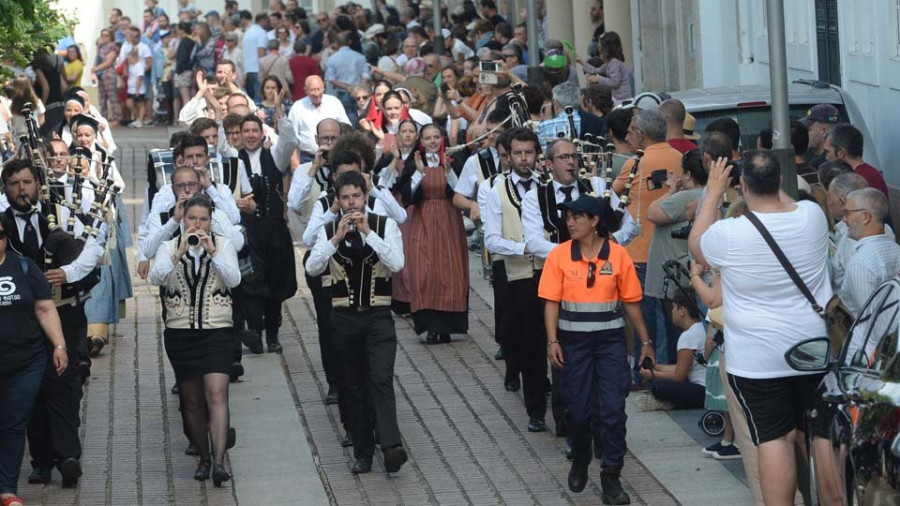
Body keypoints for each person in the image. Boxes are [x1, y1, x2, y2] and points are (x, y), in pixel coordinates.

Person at [689, 151, 831, 505]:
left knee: (774, 438)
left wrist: (714, 190)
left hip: (756, 358)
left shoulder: (730, 233)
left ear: (743, 186)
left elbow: (696, 245)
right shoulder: (813, 217)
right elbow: (781, 198)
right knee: (821, 434)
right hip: (812, 346)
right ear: (780, 183)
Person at [539, 194, 652, 503]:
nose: (570, 222)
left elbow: (631, 303)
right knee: (577, 411)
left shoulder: (618, 256)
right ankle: (580, 456)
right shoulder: (559, 256)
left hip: (610, 344)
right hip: (574, 344)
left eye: (577, 217)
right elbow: (551, 302)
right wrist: (552, 341)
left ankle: (611, 476)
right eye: (568, 217)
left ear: (594, 221)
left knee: (614, 412)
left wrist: (645, 342)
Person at [305, 170, 408, 475]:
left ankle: (391, 447)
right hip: (344, 318)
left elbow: (397, 264)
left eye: (357, 197)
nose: (351, 203)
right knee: (353, 386)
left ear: (366, 198)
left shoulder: (384, 225)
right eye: (345, 197)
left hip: (378, 316)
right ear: (337, 200)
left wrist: (368, 234)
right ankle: (363, 452)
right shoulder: (327, 230)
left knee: (380, 378)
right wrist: (335, 237)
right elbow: (313, 268)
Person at [149, 194, 241, 487]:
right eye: (192, 219)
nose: (197, 225)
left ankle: (218, 462)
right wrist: (178, 252)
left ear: (210, 221)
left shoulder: (224, 245)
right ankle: (202, 456)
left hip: (217, 331)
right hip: (181, 333)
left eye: (203, 220)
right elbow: (157, 277)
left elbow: (234, 279)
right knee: (191, 402)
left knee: (216, 393)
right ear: (183, 219)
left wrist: (212, 251)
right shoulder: (168, 246)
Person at [482, 128, 548, 431]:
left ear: (537, 154)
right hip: (521, 275)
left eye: (529, 152)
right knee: (530, 343)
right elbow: (492, 240)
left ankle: (562, 409)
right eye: (518, 153)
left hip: (552, 272)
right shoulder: (496, 191)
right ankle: (535, 409)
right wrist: (524, 247)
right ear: (508, 156)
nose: (524, 159)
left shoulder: (548, 186)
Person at [0, 214, 69, 506]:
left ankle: (6, 489)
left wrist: (59, 345)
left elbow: (45, 308)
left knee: (14, 423)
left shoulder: (24, 267)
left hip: (25, 362)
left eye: (0, 235)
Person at [397, 124, 468, 343]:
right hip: (423, 219)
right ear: (422, 140)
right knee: (424, 271)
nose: (433, 141)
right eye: (428, 138)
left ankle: (447, 326)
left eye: (436, 137)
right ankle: (430, 327)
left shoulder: (454, 161)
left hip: (449, 219)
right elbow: (407, 196)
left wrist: (448, 173)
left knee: (449, 271)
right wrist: (419, 172)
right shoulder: (413, 163)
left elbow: (461, 192)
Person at [236, 114, 298, 353]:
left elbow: (290, 141)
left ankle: (272, 335)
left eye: (255, 130)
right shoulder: (234, 159)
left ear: (262, 134)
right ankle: (255, 333)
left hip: (273, 230)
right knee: (251, 282)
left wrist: (280, 114)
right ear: (240, 135)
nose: (251, 135)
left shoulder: (273, 156)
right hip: (247, 232)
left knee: (274, 284)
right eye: (246, 131)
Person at [643, 149, 705, 363]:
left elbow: (652, 213)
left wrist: (670, 191)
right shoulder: (709, 195)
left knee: (669, 335)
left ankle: (668, 377)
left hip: (673, 281)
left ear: (688, 174)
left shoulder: (684, 198)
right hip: (691, 275)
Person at [638, 290, 707, 410]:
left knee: (658, 386)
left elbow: (679, 376)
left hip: (701, 389)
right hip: (703, 388)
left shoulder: (688, 336)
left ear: (682, 311)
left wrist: (652, 375)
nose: (672, 311)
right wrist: (657, 367)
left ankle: (674, 403)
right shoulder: (702, 329)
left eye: (674, 308)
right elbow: (683, 367)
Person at [839, 188, 900, 315]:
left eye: (847, 213)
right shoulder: (896, 249)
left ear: (865, 216)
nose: (844, 219)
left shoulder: (860, 263)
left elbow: (871, 322)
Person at [288, 75, 350, 163]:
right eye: (312, 90)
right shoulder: (297, 107)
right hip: (307, 158)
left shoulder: (334, 102)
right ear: (306, 90)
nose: (316, 94)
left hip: (334, 156)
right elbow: (291, 136)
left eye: (318, 89)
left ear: (323, 88)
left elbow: (346, 128)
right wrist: (294, 160)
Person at [824, 123, 890, 202]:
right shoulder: (872, 173)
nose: (826, 157)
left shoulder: (855, 180)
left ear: (841, 152)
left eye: (828, 152)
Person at [799, 103, 840, 169]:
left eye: (808, 130)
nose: (804, 133)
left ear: (823, 131)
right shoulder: (842, 160)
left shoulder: (817, 166)